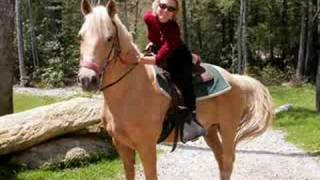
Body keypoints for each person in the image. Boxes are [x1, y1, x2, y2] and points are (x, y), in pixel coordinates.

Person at [138, 0, 207, 142]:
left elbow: (162, 57)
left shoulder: (173, 28)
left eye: (170, 9)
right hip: (160, 48)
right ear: (156, 5)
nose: (165, 10)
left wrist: (138, 59)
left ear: (174, 13)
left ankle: (190, 118)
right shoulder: (148, 18)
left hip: (178, 57)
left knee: (183, 81)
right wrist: (152, 42)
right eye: (162, 6)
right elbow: (154, 34)